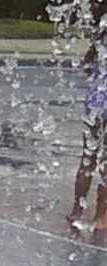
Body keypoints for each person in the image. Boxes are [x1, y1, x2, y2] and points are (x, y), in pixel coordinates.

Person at [68, 5, 107, 238]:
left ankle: (76, 210)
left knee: (88, 158)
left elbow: (86, 66)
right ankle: (101, 216)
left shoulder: (99, 40)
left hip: (95, 101)